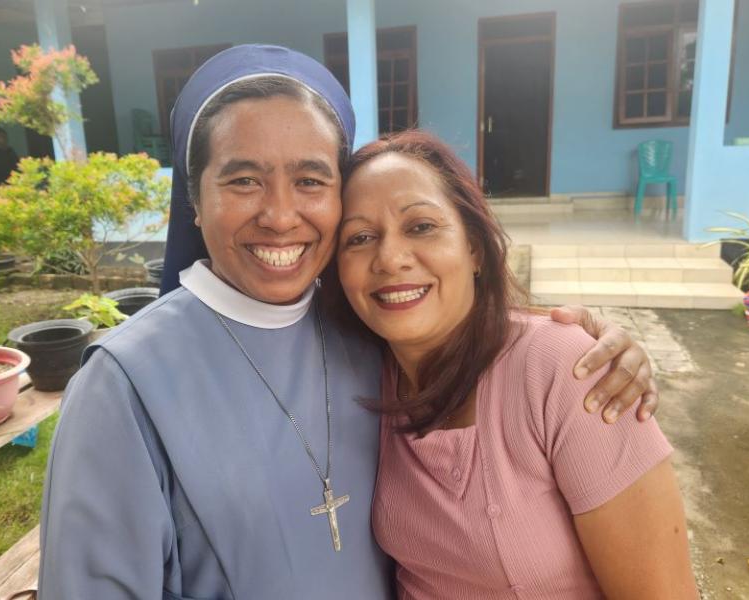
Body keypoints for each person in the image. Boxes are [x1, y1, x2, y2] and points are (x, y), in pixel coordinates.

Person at [39, 45, 659, 599]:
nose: (281, 216)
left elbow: (481, 342)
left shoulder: (366, 329)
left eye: (311, 180)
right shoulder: (123, 386)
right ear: (194, 203)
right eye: (245, 180)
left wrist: (586, 344)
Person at [334, 130, 698, 599]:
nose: (390, 258)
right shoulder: (364, 374)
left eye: (421, 226)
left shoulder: (566, 370)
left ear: (476, 249)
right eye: (360, 238)